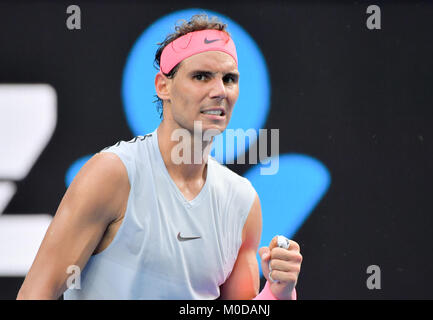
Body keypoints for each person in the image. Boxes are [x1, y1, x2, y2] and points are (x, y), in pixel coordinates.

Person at [17, 14, 302, 300]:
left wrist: (278, 293)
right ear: (163, 86)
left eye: (229, 79)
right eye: (201, 76)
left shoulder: (242, 201)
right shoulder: (111, 175)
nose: (219, 91)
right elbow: (36, 294)